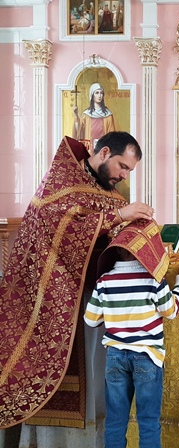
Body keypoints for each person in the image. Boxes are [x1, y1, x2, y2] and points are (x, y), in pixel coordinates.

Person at [0, 132, 154, 429]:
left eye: (130, 171)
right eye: (123, 166)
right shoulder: (62, 181)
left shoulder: (107, 192)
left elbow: (108, 233)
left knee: (97, 371)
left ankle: (97, 433)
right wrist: (119, 214)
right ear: (104, 153)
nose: (124, 175)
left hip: (94, 297)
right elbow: (60, 227)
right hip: (54, 298)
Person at [84, 218, 179, 448]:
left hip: (115, 357)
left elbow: (90, 319)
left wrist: (115, 313)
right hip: (147, 356)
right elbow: (171, 311)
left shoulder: (105, 281)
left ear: (116, 251)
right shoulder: (153, 280)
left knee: (115, 421)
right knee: (148, 421)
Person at [74, 82, 117, 152]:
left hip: (103, 150)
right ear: (92, 95)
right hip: (89, 150)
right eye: (97, 93)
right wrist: (76, 116)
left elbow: (112, 136)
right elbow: (79, 131)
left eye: (101, 93)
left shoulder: (108, 115)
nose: (99, 96)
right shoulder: (86, 114)